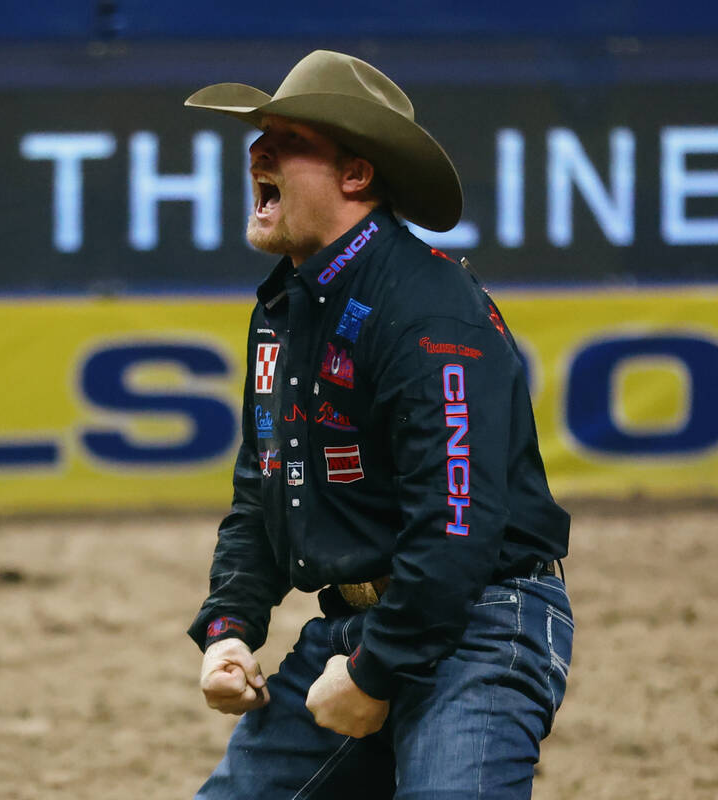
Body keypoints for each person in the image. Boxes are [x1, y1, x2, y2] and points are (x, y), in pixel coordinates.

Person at [184, 50, 574, 799]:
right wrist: (230, 627)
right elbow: (264, 487)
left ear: (355, 175)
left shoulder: (428, 309)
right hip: (365, 627)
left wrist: (376, 671)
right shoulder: (285, 310)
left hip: (483, 625)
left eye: (288, 138)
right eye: (260, 134)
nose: (257, 151)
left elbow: (456, 524)